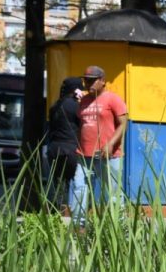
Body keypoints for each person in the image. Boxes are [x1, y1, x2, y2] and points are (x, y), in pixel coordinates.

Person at [69, 66, 128, 227]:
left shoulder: (113, 99)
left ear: (103, 81)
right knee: (79, 187)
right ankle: (79, 226)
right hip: (84, 154)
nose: (88, 83)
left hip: (108, 156)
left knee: (113, 193)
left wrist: (110, 144)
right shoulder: (84, 101)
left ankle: (119, 227)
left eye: (92, 80)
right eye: (86, 80)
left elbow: (123, 124)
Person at [46, 76, 83, 206]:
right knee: (75, 183)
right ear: (77, 89)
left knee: (59, 183)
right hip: (71, 149)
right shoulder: (77, 106)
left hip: (54, 149)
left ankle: (58, 211)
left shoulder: (55, 106)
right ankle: (73, 213)